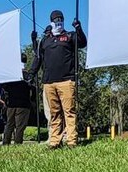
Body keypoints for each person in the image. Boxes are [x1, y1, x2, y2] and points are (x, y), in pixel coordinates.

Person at [30, 10, 87, 149]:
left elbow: (82, 43)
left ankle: (72, 140)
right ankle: (55, 141)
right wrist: (31, 72)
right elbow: (38, 57)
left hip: (67, 80)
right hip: (49, 82)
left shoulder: (69, 36)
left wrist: (78, 28)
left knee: (69, 111)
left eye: (60, 19)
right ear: (51, 21)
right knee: (54, 113)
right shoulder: (45, 40)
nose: (58, 21)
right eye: (56, 19)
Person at [1, 57, 35, 145]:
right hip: (23, 104)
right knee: (20, 126)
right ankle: (18, 143)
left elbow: (4, 87)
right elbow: (33, 88)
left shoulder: (11, 75)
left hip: (11, 103)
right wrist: (32, 100)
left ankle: (6, 143)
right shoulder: (27, 75)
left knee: (9, 124)